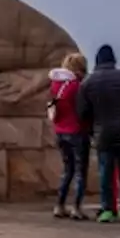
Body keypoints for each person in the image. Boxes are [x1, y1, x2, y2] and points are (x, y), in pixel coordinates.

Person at [77, 43, 120, 223]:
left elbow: (82, 111)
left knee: (105, 172)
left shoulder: (89, 82)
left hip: (103, 133)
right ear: (113, 60)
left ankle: (108, 210)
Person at [48, 52, 90, 220]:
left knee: (68, 170)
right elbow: (83, 110)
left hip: (60, 131)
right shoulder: (76, 86)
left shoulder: (56, 84)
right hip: (77, 132)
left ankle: (59, 205)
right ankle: (77, 208)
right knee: (80, 171)